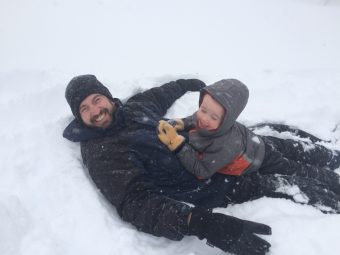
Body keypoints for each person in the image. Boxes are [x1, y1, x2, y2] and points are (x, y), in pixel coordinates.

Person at [63, 75, 340, 255]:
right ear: (79, 116)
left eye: (96, 100)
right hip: (209, 184)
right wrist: (198, 222)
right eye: (84, 109)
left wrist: (186, 84)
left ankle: (332, 154)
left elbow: (159, 95)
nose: (95, 111)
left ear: (108, 98)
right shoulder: (103, 152)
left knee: (274, 138)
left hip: (209, 143)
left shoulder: (132, 109)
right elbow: (137, 204)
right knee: (292, 183)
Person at [157, 79, 340, 197]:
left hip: (258, 159)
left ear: (228, 119)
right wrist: (182, 123)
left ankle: (332, 177)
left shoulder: (224, 145)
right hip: (257, 142)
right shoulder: (207, 119)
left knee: (295, 168)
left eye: (213, 117)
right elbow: (195, 119)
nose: (204, 118)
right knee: (288, 148)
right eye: (203, 109)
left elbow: (203, 170)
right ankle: (329, 156)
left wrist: (179, 146)